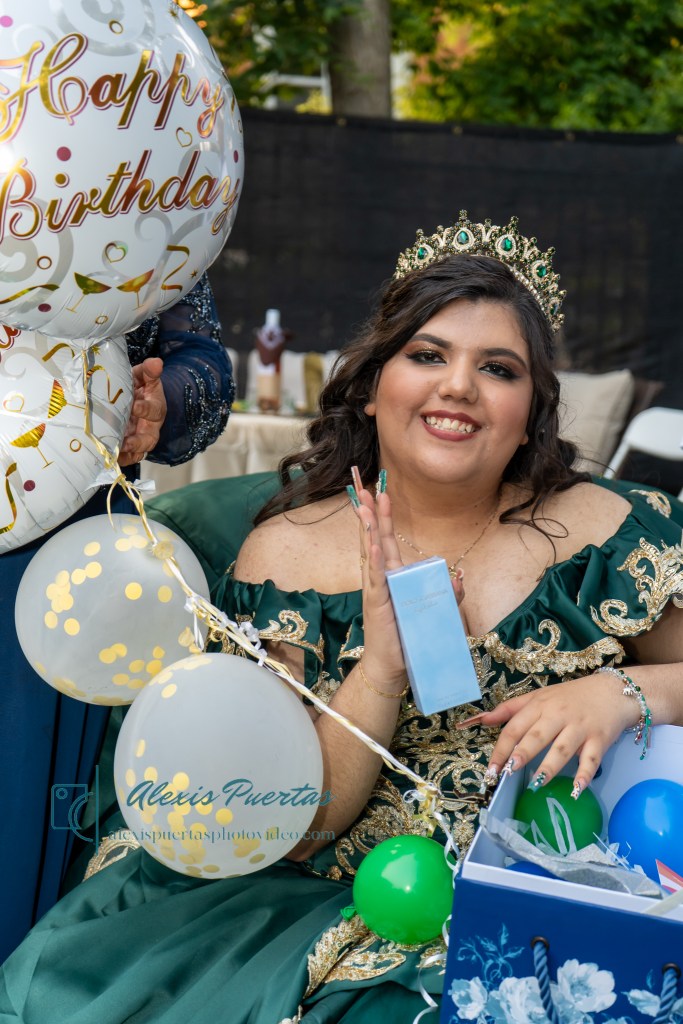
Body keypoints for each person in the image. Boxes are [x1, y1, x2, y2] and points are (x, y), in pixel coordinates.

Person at [1, 213, 682, 1021]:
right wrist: (381, 670)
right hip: (351, 902)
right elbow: (298, 831)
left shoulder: (604, 530)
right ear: (370, 385)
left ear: (533, 407)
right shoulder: (285, 557)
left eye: (497, 368)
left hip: (574, 890)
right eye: (426, 355)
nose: (457, 386)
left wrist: (623, 693)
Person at [0, 274, 234, 961]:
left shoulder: (121, 210)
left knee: (22, 808)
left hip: (58, 561)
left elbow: (203, 365)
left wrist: (160, 401)